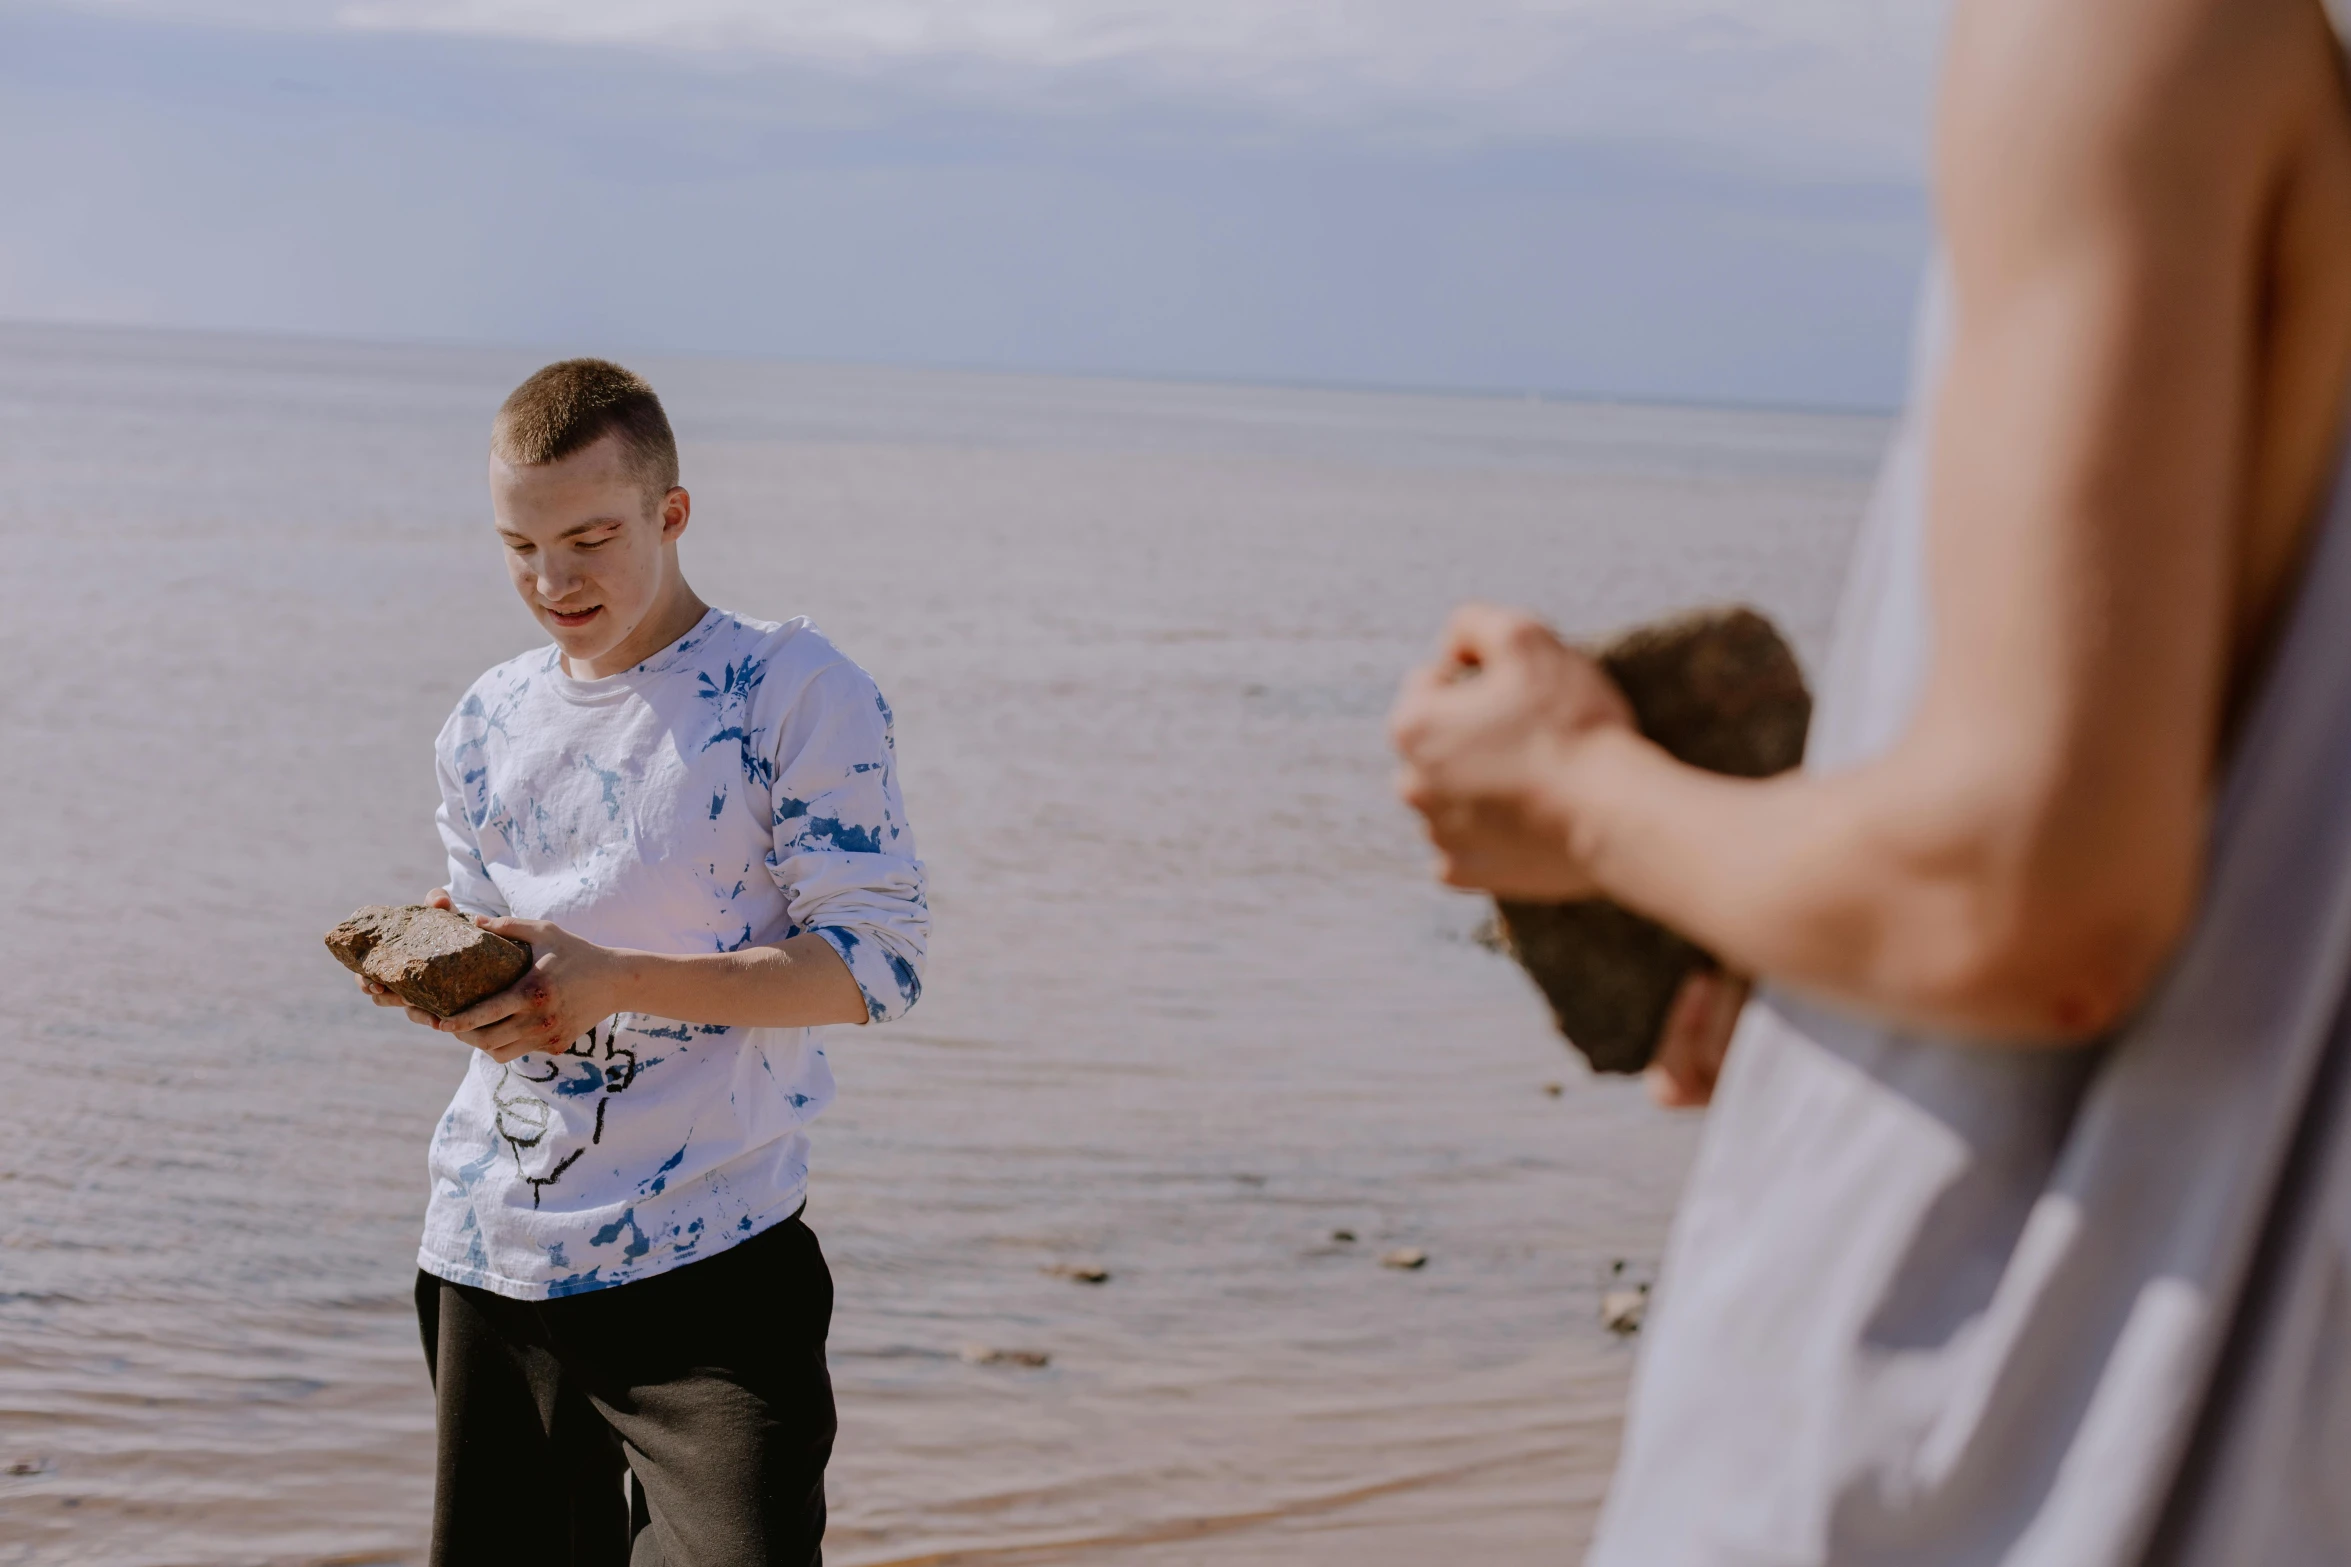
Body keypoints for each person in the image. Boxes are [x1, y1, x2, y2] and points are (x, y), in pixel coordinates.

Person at [1391, 0, 2351, 1559]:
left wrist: (1573, 792)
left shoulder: (2133, 29)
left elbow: (2019, 901)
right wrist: (1788, 918)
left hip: (2023, 1429)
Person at [355, 359, 927, 1566]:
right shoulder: (482, 722)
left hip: (717, 1255)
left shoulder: (792, 689)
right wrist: (456, 982)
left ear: (672, 512)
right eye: (518, 545)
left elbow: (872, 963)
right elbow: (524, 979)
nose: (552, 581)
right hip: (492, 1248)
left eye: (590, 536)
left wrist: (612, 973)